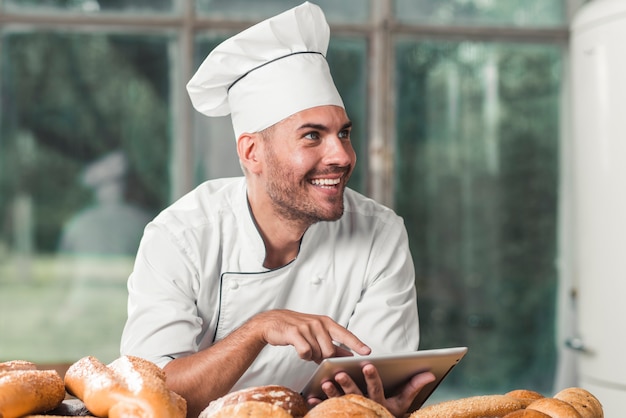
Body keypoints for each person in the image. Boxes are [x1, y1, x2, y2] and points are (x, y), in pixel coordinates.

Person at [120, 2, 435, 417]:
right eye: (312, 136)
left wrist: (380, 408)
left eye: (344, 133)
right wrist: (258, 329)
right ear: (252, 152)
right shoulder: (181, 235)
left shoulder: (381, 233)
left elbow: (374, 381)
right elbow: (152, 396)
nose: (341, 156)